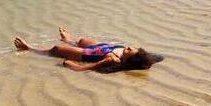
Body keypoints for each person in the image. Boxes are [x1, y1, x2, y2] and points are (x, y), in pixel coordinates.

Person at [13, 27, 163, 72]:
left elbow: (89, 68)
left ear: (129, 59)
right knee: (82, 40)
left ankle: (30, 49)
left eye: (131, 50)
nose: (130, 47)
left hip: (88, 55)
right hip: (100, 47)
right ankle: (69, 40)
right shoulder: (125, 54)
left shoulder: (114, 60)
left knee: (56, 49)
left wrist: (73, 65)